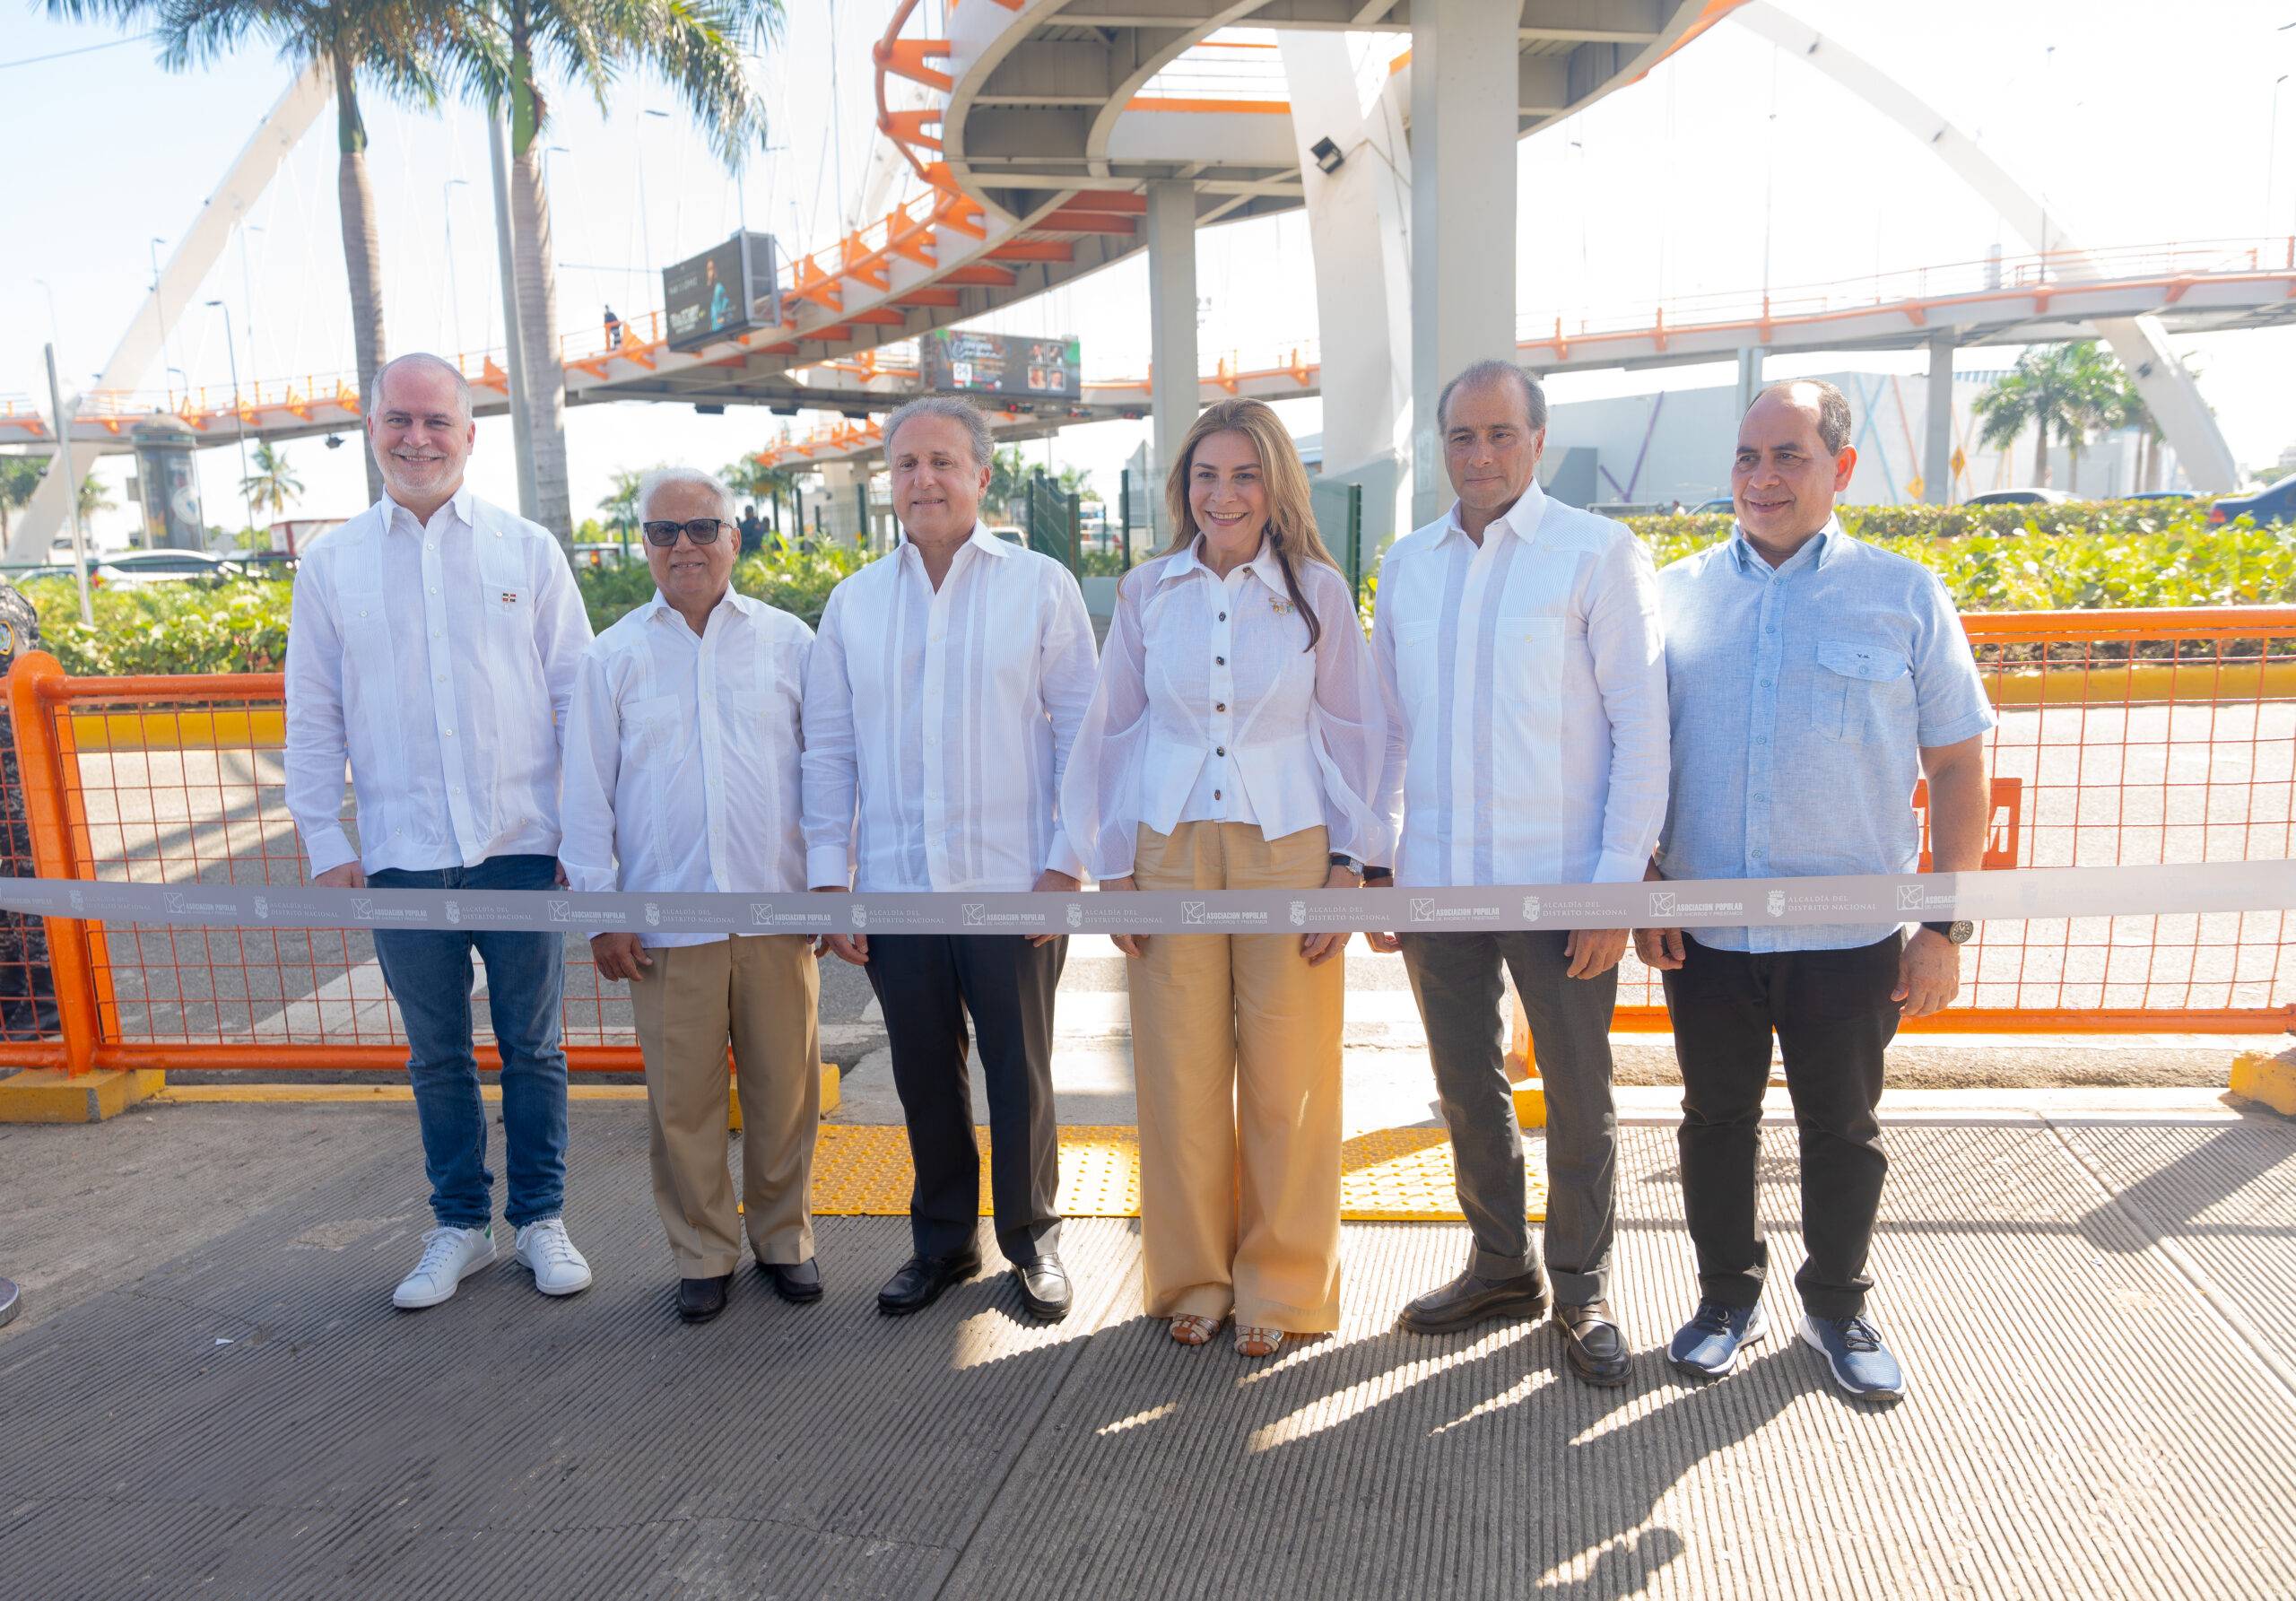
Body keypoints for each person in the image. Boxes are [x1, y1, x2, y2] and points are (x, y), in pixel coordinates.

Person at [1634, 379, 1993, 1403]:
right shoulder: (1674, 596)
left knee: (1843, 1128)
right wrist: (1647, 880)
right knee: (1714, 1121)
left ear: (1840, 468)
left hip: (1849, 938)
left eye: (1788, 455)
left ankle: (1836, 1306)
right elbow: (1634, 753)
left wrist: (1943, 925)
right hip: (1704, 932)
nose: (1762, 478)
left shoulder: (1904, 595)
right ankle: (1724, 1300)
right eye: (1747, 457)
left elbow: (1958, 765)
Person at [1062, 398, 1387, 1359]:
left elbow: (1356, 732)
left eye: (1245, 475)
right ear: (1184, 488)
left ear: (1275, 485)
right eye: (1206, 475)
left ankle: (1281, 1287)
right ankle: (1193, 1278)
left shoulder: (1317, 592)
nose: (1224, 494)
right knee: (1178, 1077)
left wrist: (1350, 862)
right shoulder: (1146, 592)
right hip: (1166, 850)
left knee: (1290, 1077)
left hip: (1289, 846)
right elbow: (1113, 729)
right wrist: (1111, 863)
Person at [1370, 360, 1668, 1387]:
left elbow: (1641, 728)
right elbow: (1386, 730)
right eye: (1462, 435)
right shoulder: (1408, 566)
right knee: (1465, 1086)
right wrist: (1383, 860)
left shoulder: (1597, 554)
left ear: (1538, 441)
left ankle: (1580, 1285)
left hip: (1563, 882)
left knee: (1580, 1094)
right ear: (1441, 446)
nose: (1481, 454)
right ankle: (1500, 1267)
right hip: (1438, 879)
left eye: (1501, 433)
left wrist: (1613, 887)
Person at [283, 352, 596, 1311]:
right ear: (371, 429)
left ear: (469, 433)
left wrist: (583, 840)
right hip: (401, 855)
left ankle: (540, 1218)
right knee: (436, 1055)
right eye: (398, 420)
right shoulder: (332, 564)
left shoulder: (526, 551)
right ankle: (461, 1225)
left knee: (533, 1047)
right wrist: (325, 842)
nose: (417, 438)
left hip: (521, 846)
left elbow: (577, 699)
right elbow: (313, 712)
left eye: (436, 421)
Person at [802, 395, 1097, 1322]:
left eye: (942, 462)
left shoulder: (1039, 585)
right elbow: (829, 749)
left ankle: (1032, 1240)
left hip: (1014, 885)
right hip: (897, 891)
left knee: (1021, 1076)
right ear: (888, 481)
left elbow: (1083, 731)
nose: (922, 479)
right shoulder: (854, 603)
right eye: (906, 464)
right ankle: (941, 1244)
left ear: (981, 475)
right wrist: (832, 882)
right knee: (924, 1077)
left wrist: (1065, 867)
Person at [561, 467, 822, 1326]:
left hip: (776, 913)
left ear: (733, 539)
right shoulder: (612, 657)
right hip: (666, 926)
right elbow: (585, 796)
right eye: (664, 532)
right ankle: (703, 1252)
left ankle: (784, 1239)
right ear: (643, 545)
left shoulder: (789, 643)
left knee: (786, 1091)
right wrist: (602, 914)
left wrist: (831, 885)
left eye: (702, 528)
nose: (684, 546)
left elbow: (827, 771)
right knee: (683, 1104)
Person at [0, 574, 59, 1040]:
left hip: (9, 759)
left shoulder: (5, 604)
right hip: (14, 752)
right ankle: (21, 1002)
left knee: (21, 876)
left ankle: (40, 1005)